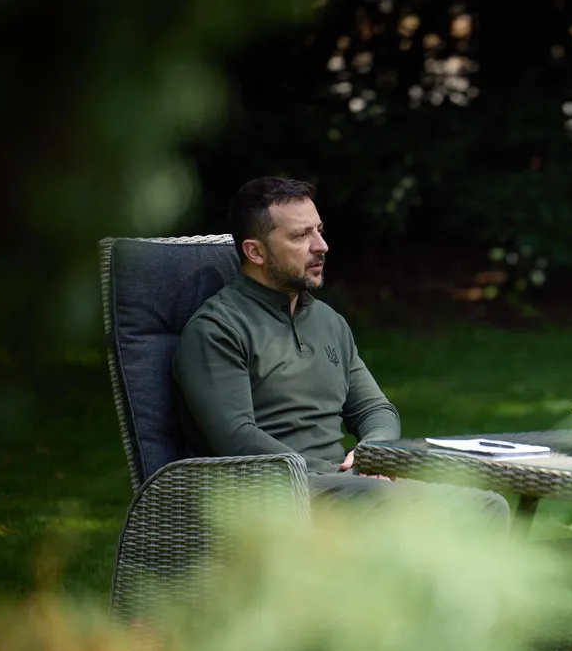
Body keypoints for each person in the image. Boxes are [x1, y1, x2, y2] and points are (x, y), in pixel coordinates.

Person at [172, 176, 510, 530]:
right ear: (255, 252)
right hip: (273, 495)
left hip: (348, 483)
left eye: (319, 230)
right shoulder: (217, 329)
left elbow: (375, 409)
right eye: (301, 236)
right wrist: (342, 475)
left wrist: (374, 454)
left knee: (486, 506)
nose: (321, 246)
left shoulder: (327, 321)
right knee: (388, 503)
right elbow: (237, 441)